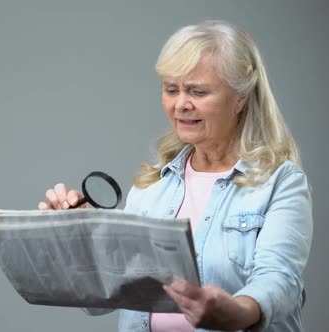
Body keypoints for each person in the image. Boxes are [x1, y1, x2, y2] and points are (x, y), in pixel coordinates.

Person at [38, 20, 312, 332]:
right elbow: (101, 299)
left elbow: (281, 280)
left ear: (240, 98)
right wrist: (79, 237)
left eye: (197, 91)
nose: (181, 104)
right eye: (171, 89)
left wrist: (236, 312)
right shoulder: (151, 186)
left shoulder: (280, 182)